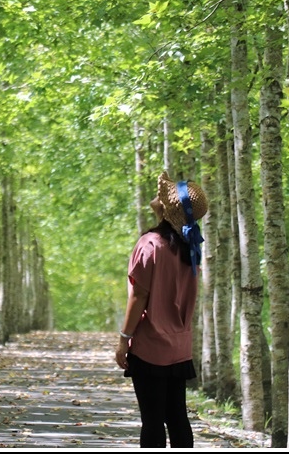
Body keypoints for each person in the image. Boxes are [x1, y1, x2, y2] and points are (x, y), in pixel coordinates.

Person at [115, 171, 208, 448]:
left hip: (150, 346)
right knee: (177, 416)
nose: (157, 197)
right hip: (179, 347)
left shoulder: (150, 244)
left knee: (153, 419)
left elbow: (139, 295)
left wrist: (124, 339)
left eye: (164, 195)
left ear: (168, 210)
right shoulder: (189, 249)